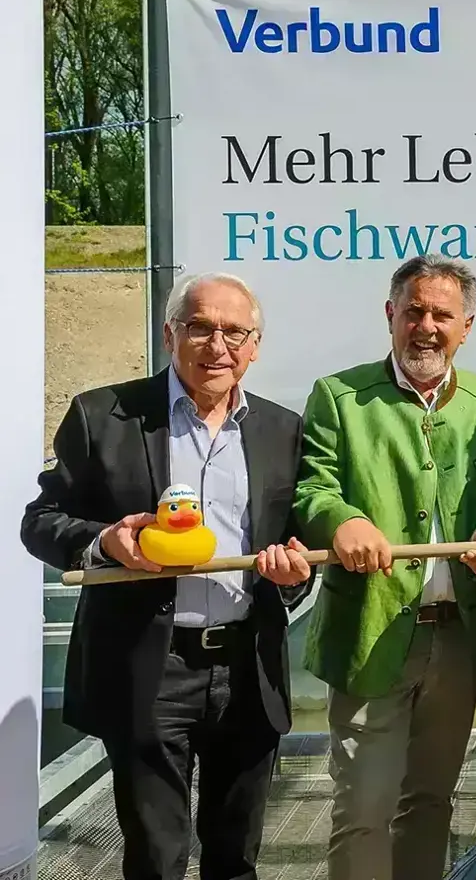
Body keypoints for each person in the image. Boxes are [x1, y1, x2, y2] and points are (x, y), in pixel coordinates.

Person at [21, 273, 312, 880]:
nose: (218, 345)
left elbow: (295, 552)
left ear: (255, 345)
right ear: (169, 333)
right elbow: (41, 521)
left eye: (236, 332)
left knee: (236, 858)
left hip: (247, 669)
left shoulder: (282, 431)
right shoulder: (105, 416)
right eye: (200, 327)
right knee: (156, 859)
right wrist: (105, 543)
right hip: (148, 668)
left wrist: (291, 578)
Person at [293, 254, 476, 880]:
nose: (426, 326)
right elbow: (314, 487)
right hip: (370, 632)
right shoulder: (339, 396)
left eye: (442, 315)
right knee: (363, 805)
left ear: (466, 326)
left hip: (460, 637)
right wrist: (343, 521)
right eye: (413, 311)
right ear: (390, 315)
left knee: (430, 802)